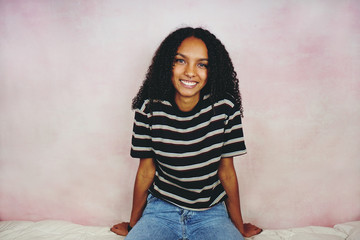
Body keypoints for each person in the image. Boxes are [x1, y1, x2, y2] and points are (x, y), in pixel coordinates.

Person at [111, 27, 262, 240]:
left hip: (211, 212)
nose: (190, 72)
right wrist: (134, 225)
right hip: (160, 211)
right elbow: (146, 170)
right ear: (167, 65)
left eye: (202, 64)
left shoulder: (225, 108)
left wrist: (238, 227)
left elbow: (226, 171)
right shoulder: (149, 108)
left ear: (213, 71)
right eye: (180, 61)